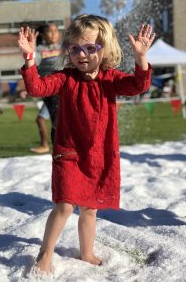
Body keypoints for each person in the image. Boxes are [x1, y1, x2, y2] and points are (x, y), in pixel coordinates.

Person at [18, 14, 155, 273]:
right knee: (65, 205)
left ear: (105, 48)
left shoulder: (110, 79)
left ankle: (87, 252)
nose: (82, 55)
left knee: (90, 209)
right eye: (75, 48)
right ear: (68, 50)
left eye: (90, 48)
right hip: (68, 153)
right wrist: (29, 59)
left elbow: (138, 85)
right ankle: (45, 253)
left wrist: (141, 59)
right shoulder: (65, 78)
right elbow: (36, 88)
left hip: (97, 155)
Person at [30, 22, 62, 154]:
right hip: (50, 91)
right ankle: (52, 147)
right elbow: (31, 64)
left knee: (63, 120)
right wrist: (30, 51)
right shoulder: (40, 50)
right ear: (43, 35)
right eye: (50, 31)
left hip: (65, 89)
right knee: (55, 121)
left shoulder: (65, 47)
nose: (54, 33)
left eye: (56, 30)